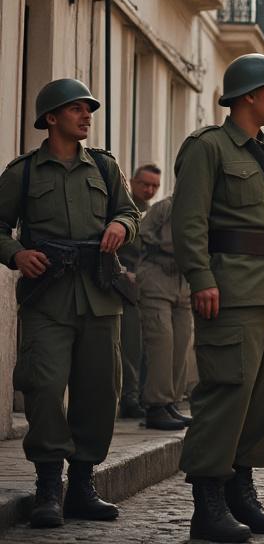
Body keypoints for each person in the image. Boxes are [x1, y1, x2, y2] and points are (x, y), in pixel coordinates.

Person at [170, 54, 264, 542]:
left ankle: (241, 491)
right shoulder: (208, 147)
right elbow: (188, 221)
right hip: (231, 290)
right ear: (248, 95)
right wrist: (201, 278)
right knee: (226, 394)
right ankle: (207, 503)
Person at [0, 78, 139, 528]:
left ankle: (81, 486)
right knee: (43, 387)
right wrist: (16, 254)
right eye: (76, 109)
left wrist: (121, 225)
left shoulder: (104, 167)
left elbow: (130, 212)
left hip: (100, 295)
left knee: (99, 393)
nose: (86, 116)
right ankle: (47, 487)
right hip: (48, 297)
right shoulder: (23, 173)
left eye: (88, 109)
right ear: (51, 118)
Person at [137, 193, 194, 430]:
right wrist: (166, 248)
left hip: (184, 282)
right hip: (157, 276)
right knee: (162, 342)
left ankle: (171, 402)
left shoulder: (202, 208)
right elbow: (141, 233)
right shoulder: (164, 208)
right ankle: (156, 405)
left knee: (182, 343)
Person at [118, 163, 161, 419]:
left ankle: (144, 396)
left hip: (150, 286)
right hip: (124, 287)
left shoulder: (153, 213)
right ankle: (129, 398)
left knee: (149, 344)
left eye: (155, 186)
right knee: (130, 344)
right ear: (133, 182)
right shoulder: (123, 209)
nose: (149, 190)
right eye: (145, 184)